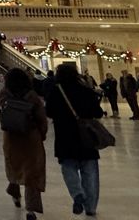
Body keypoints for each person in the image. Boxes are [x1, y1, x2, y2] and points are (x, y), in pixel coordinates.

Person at [45, 63, 102, 217]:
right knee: (90, 172)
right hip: (86, 136)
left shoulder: (56, 92)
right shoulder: (86, 91)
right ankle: (91, 207)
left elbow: (49, 112)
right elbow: (98, 112)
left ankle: (77, 194)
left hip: (65, 136)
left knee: (68, 167)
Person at [0, 68, 47, 220]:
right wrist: (42, 135)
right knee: (32, 174)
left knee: (14, 167)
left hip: (11, 138)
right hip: (30, 138)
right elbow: (41, 119)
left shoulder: (4, 96)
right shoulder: (32, 97)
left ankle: (14, 191)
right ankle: (30, 210)